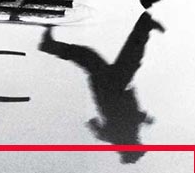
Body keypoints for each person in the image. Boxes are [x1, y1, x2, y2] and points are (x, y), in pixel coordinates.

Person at [39, 12, 165, 163]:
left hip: (111, 88)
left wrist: (144, 119)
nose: (140, 142)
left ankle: (145, 24)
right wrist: (143, 119)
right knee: (122, 56)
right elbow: (100, 126)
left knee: (120, 56)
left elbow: (124, 120)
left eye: (138, 146)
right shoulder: (121, 136)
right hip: (113, 87)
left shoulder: (123, 136)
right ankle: (145, 25)